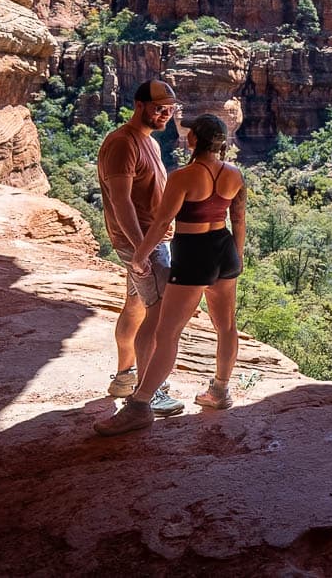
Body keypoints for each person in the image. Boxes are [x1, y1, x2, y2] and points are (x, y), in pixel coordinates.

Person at [94, 113, 246, 436]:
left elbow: (163, 223)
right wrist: (238, 259)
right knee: (227, 326)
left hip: (194, 254)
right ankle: (219, 391)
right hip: (224, 250)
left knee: (167, 333)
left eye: (189, 133)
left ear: (194, 140)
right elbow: (240, 222)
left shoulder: (183, 177)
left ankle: (140, 405)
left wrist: (140, 254)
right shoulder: (236, 175)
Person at [95, 79, 184, 418]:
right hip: (146, 242)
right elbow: (120, 202)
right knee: (158, 313)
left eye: (170, 109)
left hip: (148, 242)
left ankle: (125, 377)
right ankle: (152, 391)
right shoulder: (122, 143)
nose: (165, 114)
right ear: (140, 104)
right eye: (159, 107)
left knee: (135, 305)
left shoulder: (149, 143)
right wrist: (140, 252)